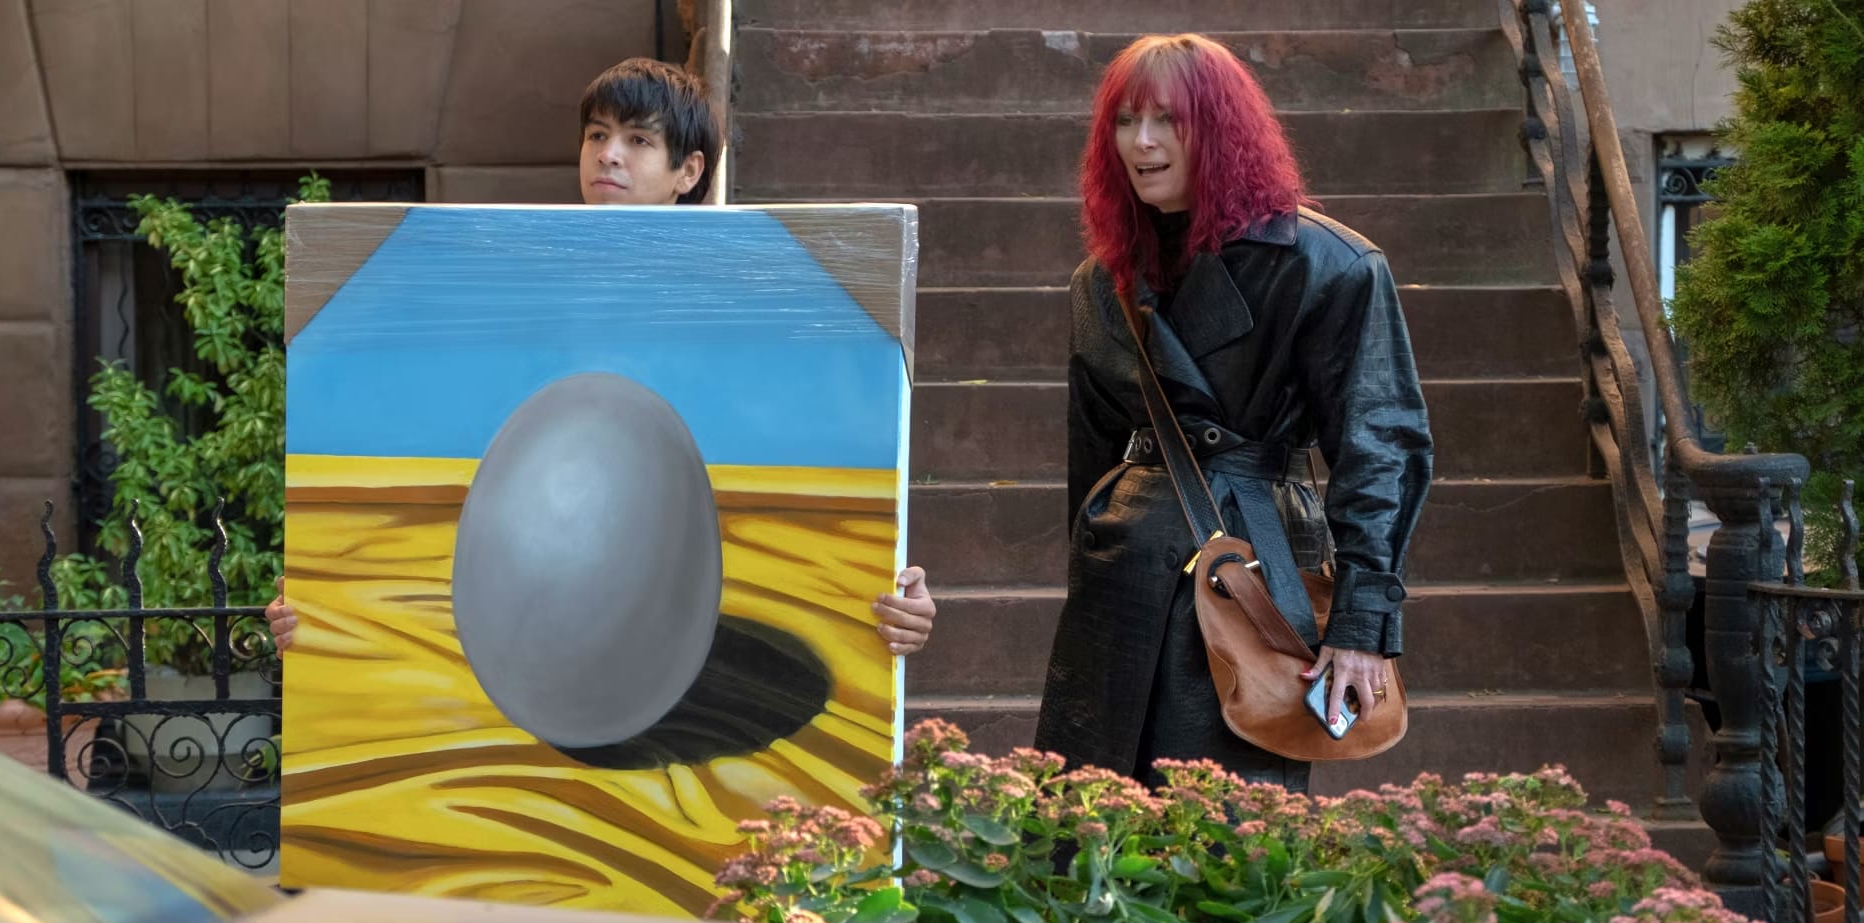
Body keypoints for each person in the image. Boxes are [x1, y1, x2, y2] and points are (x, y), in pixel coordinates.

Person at [268, 58, 936, 659]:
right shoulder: (505, 284)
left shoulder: (756, 308)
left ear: (690, 171)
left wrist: (896, 597)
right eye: (596, 134)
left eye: (638, 140)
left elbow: (814, 462)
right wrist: (326, 600)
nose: (608, 154)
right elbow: (427, 447)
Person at [1034, 34, 1433, 793]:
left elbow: (1381, 448)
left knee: (1221, 836)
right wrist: (1088, 560)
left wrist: (1361, 626)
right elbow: (1091, 457)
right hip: (1119, 581)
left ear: (1219, 129)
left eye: (1167, 120)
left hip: (1246, 570)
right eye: (1124, 121)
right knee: (1085, 830)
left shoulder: (1327, 264)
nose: (1141, 142)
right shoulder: (1101, 280)